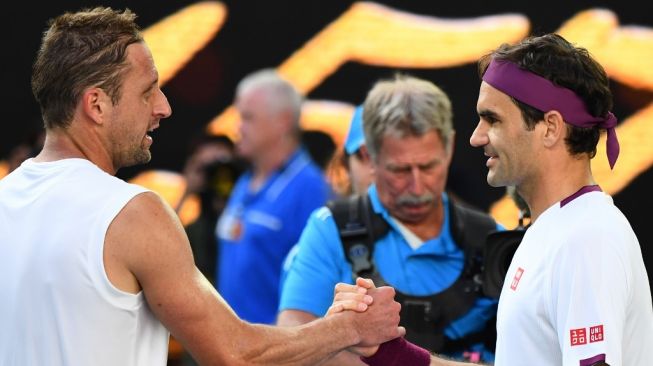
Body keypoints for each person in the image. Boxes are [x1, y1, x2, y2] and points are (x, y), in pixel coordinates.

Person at [0, 7, 405, 366]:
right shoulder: (132, 212)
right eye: (147, 92)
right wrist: (351, 328)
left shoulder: (5, 200)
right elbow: (237, 355)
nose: (164, 107)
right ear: (97, 105)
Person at [334, 33, 653, 366]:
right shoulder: (557, 230)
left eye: (493, 119)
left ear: (550, 128)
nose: (476, 137)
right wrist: (390, 352)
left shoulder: (586, 238)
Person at [277, 74, 502, 364]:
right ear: (369, 157)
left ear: (449, 146)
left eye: (428, 165)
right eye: (400, 170)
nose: (418, 186)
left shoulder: (492, 239)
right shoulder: (330, 229)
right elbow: (293, 337)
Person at [215, 69, 332, 325]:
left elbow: (321, 286)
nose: (238, 128)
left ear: (283, 121)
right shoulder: (245, 182)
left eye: (247, 117)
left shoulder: (310, 190)